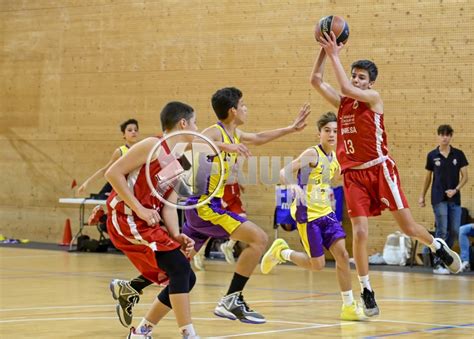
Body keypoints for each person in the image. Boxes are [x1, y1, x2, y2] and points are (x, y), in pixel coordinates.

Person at [311, 32, 462, 317]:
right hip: (353, 175)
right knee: (360, 232)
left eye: (361, 78)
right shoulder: (343, 104)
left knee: (408, 227)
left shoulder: (372, 98)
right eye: (354, 76)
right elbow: (315, 81)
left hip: (380, 170)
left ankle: (436, 245)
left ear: (370, 83)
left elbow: (342, 84)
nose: (355, 81)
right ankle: (366, 289)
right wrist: (323, 50)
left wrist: (334, 53)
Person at [183, 87, 311, 324]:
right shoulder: (215, 132)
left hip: (206, 208)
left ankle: (131, 287)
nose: (246, 108)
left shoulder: (235, 134)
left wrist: (291, 129)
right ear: (232, 110)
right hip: (204, 206)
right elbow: (191, 144)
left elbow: (260, 137)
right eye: (243, 105)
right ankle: (231, 299)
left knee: (177, 263)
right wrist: (225, 147)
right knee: (259, 239)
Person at [105, 102, 198, 339]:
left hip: (148, 221)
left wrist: (176, 233)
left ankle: (142, 332)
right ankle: (188, 334)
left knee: (187, 275)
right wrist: (140, 208)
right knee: (179, 267)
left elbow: (168, 202)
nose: (197, 127)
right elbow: (112, 174)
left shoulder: (182, 160)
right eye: (195, 122)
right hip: (126, 217)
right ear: (183, 123)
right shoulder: (152, 145)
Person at [261, 111, 366, 321]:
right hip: (307, 214)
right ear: (319, 133)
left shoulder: (337, 156)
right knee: (317, 265)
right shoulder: (312, 154)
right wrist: (294, 187)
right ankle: (282, 253)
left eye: (335, 131)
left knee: (343, 256)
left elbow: (332, 179)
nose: (331, 134)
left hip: (326, 212)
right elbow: (284, 172)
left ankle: (348, 306)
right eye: (327, 130)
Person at [419, 124, 469, 274]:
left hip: (455, 198)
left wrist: (456, 190)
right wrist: (422, 195)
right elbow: (428, 177)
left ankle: (445, 258)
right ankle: (437, 264)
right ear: (438, 136)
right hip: (438, 197)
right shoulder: (432, 155)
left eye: (447, 134)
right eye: (442, 134)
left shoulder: (458, 154)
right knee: (441, 230)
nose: (444, 137)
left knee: (454, 231)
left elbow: (465, 176)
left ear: (451, 136)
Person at [192, 159, 246, 270]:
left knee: (243, 220)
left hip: (233, 195)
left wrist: (241, 183)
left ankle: (228, 246)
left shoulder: (234, 157)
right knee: (213, 228)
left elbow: (236, 172)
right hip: (222, 195)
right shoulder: (219, 158)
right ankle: (199, 251)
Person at [78, 118, 140, 195]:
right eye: (130, 130)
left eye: (136, 130)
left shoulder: (142, 150)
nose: (133, 132)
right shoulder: (120, 151)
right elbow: (104, 170)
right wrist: (87, 183)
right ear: (124, 134)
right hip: (123, 189)